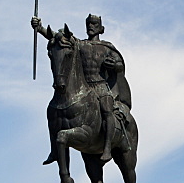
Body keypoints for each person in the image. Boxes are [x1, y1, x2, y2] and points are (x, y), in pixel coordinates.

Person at [31, 14, 130, 162]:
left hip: (101, 85)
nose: (91, 26)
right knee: (52, 110)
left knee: (107, 108)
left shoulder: (106, 47)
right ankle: (54, 150)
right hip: (85, 86)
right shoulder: (79, 44)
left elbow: (120, 64)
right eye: (89, 23)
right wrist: (40, 28)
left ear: (101, 28)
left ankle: (108, 147)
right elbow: (59, 38)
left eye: (94, 24)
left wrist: (115, 65)